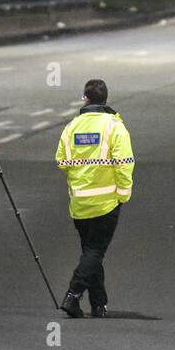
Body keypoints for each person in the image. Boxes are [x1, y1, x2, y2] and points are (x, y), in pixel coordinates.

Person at [55, 79, 134, 318]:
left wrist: (81, 176)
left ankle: (99, 305)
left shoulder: (72, 127)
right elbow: (124, 163)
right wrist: (123, 192)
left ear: (85, 99)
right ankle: (73, 294)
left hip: (79, 202)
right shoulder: (114, 126)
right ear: (105, 100)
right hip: (106, 202)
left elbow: (62, 161)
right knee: (95, 252)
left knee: (91, 252)